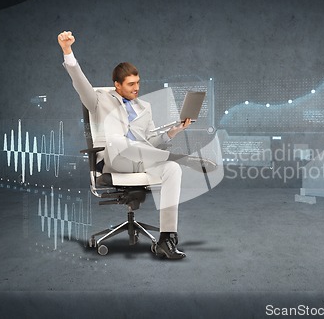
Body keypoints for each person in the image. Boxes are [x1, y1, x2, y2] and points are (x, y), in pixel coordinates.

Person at [58, 30, 216, 260]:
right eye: (131, 84)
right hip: (115, 159)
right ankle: (182, 157)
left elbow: (151, 142)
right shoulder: (98, 100)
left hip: (142, 160)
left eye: (138, 83)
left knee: (172, 170)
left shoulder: (144, 108)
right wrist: (68, 52)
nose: (136, 88)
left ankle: (166, 239)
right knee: (120, 142)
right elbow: (79, 82)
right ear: (117, 85)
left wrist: (174, 131)